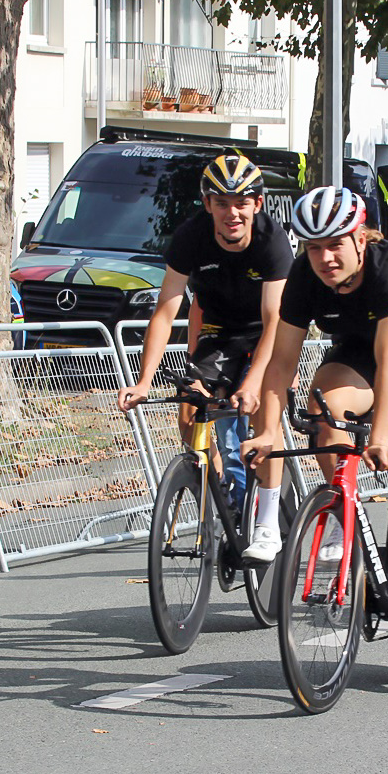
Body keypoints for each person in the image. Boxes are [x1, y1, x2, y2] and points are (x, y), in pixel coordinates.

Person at [242, 186, 388, 663]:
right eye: (313, 247)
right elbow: (281, 362)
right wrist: (267, 431)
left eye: (335, 245)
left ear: (360, 238)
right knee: (322, 406)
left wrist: (385, 436)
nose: (325, 258)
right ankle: (339, 515)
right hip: (356, 355)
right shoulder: (306, 276)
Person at [117, 154, 290, 563]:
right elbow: (165, 309)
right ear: (207, 203)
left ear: (258, 204)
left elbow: (274, 321)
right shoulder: (190, 236)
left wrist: (251, 384)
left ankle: (266, 524)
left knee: (264, 411)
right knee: (190, 412)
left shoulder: (271, 241)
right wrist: (143, 382)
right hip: (219, 331)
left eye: (242, 202)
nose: (233, 212)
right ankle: (225, 497)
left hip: (267, 331)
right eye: (222, 202)